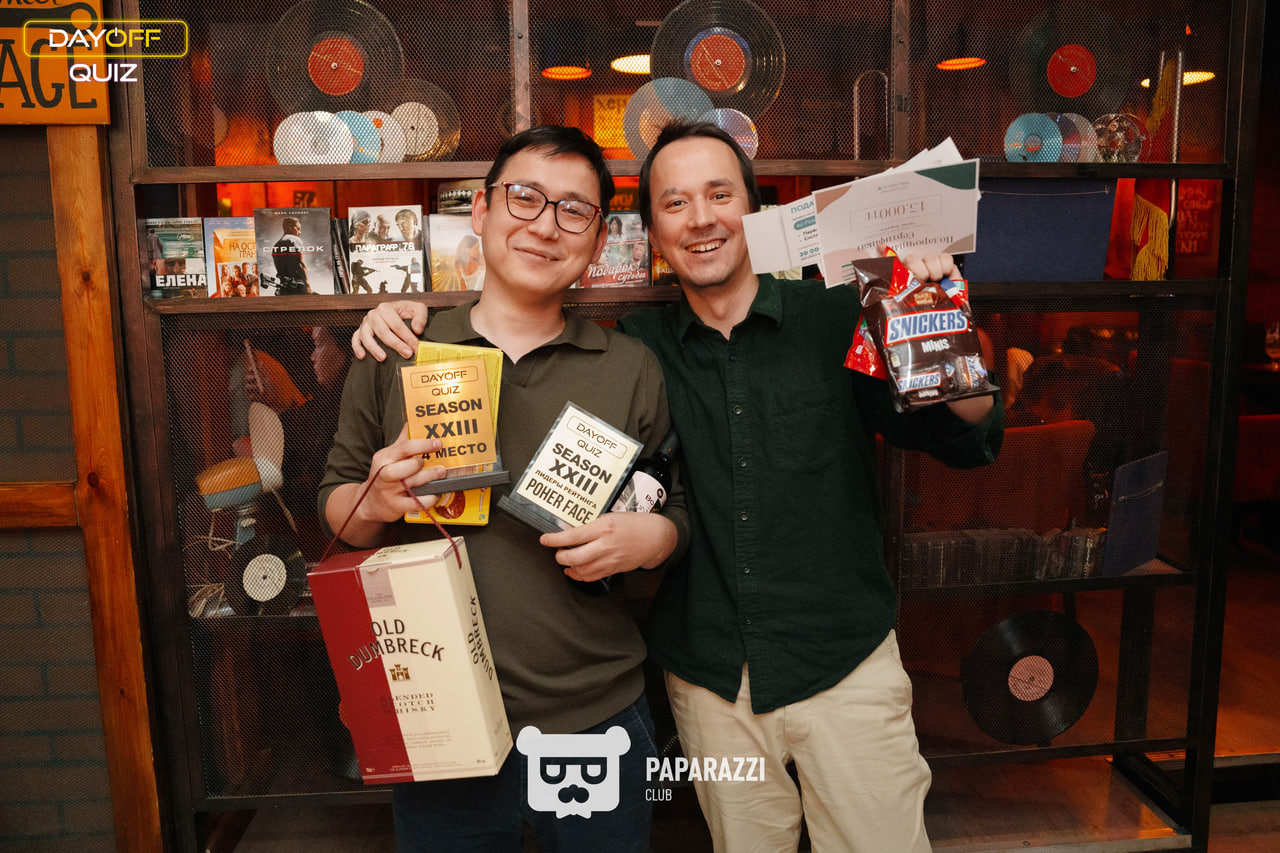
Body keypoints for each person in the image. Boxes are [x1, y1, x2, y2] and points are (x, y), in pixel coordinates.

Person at [355, 121, 1003, 852]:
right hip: (710, 683)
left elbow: (965, 434)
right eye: (674, 203)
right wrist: (404, 314)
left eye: (720, 195)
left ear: (753, 211)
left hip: (843, 665)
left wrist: (938, 321)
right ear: (652, 235)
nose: (700, 219)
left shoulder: (835, 317)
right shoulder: (639, 350)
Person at [319, 125, 689, 853]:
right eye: (525, 198)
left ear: (598, 239)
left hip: (595, 715)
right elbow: (336, 509)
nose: (545, 226)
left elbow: (671, 504)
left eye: (573, 210)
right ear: (482, 211)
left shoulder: (630, 365)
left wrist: (654, 538)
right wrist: (378, 501)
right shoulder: (399, 349)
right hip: (436, 714)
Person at [271, 216, 310, 294]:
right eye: (298, 229)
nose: (300, 232)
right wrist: (307, 285)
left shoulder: (276, 245)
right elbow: (300, 264)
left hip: (283, 288)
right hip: (297, 286)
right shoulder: (294, 239)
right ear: (289, 227)